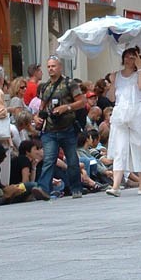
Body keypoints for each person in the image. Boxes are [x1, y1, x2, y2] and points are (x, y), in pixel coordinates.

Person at [104, 46, 141, 197]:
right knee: (120, 148)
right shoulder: (116, 75)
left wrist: (140, 68)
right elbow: (112, 98)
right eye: (127, 56)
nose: (129, 60)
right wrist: (112, 83)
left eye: (133, 57)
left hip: (138, 111)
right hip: (121, 112)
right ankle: (116, 185)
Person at [34, 56, 85, 198]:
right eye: (48, 66)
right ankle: (44, 188)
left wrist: (67, 107)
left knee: (72, 160)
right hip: (50, 130)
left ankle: (76, 187)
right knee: (49, 159)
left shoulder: (70, 83)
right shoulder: (44, 87)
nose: (51, 69)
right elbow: (42, 107)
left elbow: (82, 101)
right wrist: (37, 117)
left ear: (60, 67)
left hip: (67, 128)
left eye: (53, 66)